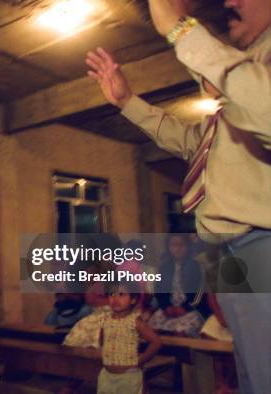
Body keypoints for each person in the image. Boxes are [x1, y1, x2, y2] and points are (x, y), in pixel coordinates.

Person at [86, 0, 270, 391]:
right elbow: (195, 143)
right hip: (235, 249)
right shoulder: (249, 69)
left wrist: (181, 30)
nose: (229, 3)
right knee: (255, 374)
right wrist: (127, 103)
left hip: (262, 241)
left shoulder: (258, 72)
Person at [97, 281, 162, 394]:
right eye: (112, 294)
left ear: (133, 299)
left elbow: (156, 342)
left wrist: (142, 359)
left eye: (121, 295)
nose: (115, 299)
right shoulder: (105, 319)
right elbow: (102, 340)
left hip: (128, 377)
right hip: (106, 375)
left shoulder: (135, 321)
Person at [148, 234, 205, 337]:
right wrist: (166, 306)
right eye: (174, 245)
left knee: (186, 328)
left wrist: (184, 307)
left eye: (181, 245)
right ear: (169, 247)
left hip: (189, 309)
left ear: (188, 246)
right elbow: (159, 290)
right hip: (169, 309)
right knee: (153, 327)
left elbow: (199, 291)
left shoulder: (195, 266)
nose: (178, 249)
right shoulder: (164, 267)